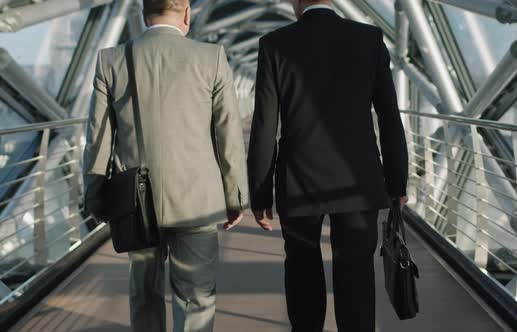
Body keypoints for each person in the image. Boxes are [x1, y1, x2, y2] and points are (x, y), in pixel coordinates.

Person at [82, 1, 249, 331]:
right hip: (196, 201)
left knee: (144, 292)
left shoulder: (111, 61)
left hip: (135, 203)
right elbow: (228, 136)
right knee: (196, 297)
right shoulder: (211, 57)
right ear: (187, 12)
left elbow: (98, 139)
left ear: (144, 14)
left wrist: (95, 195)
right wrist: (235, 197)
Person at [247, 0, 409, 331]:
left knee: (302, 272)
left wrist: (260, 196)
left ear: (296, 1)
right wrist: (397, 182)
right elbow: (390, 118)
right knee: (356, 275)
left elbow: (264, 127)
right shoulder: (369, 39)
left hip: (298, 180)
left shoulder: (275, 43)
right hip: (358, 180)